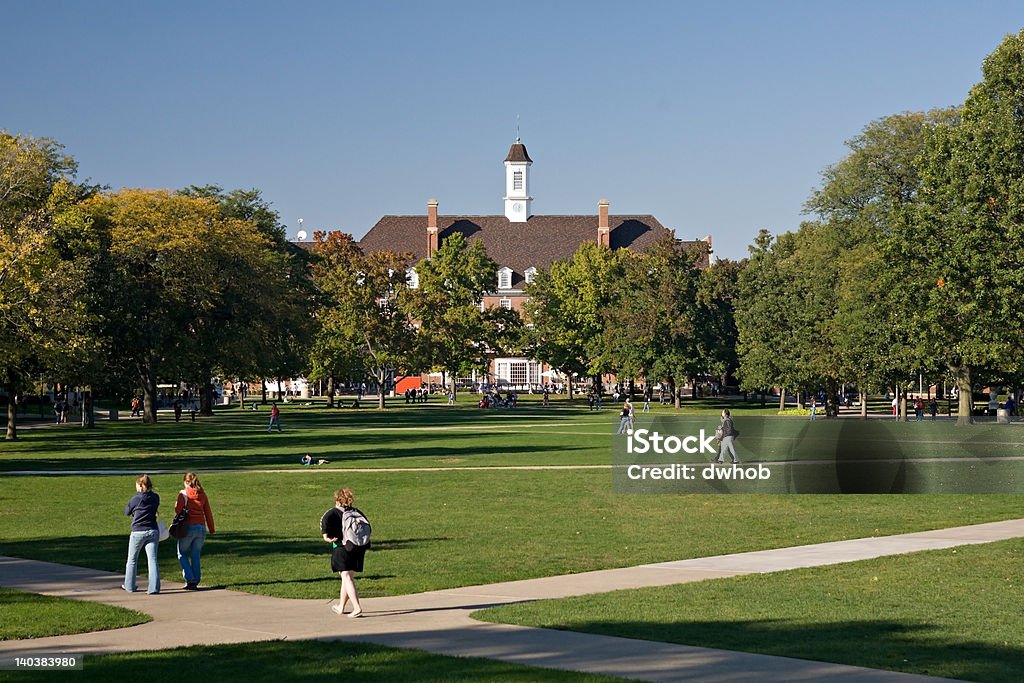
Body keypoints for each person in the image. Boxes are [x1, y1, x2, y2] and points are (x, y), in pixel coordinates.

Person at [320, 487, 367, 617]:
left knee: (346, 577)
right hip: (357, 547)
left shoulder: (331, 513)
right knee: (347, 578)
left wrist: (327, 538)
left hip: (341, 547)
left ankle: (357, 608)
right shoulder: (357, 512)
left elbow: (324, 528)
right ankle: (341, 606)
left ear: (337, 500)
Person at [174, 472, 216, 590]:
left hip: (188, 527)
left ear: (186, 482)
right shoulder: (202, 494)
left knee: (181, 553)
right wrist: (211, 528)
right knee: (195, 555)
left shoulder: (183, 494)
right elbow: (208, 512)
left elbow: (178, 510)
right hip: (201, 528)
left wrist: (176, 505)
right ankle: (195, 581)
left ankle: (190, 577)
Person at [123, 474, 160, 594]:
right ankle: (154, 587)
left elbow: (127, 511)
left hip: (138, 531)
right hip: (153, 530)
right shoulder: (155, 497)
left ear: (140, 485)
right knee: (152, 559)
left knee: (132, 560)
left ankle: (129, 585)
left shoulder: (136, 499)